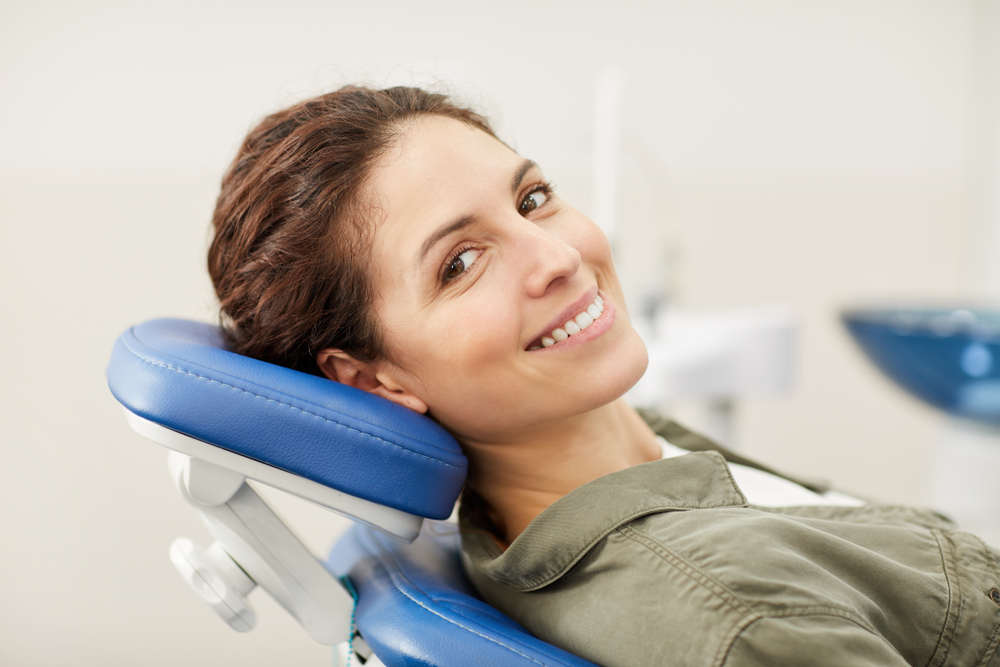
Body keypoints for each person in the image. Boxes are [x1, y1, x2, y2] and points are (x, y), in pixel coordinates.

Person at [208, 86, 1000, 666]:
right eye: (461, 262)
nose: (558, 255)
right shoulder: (739, 616)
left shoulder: (629, 466)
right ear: (375, 382)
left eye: (533, 198)